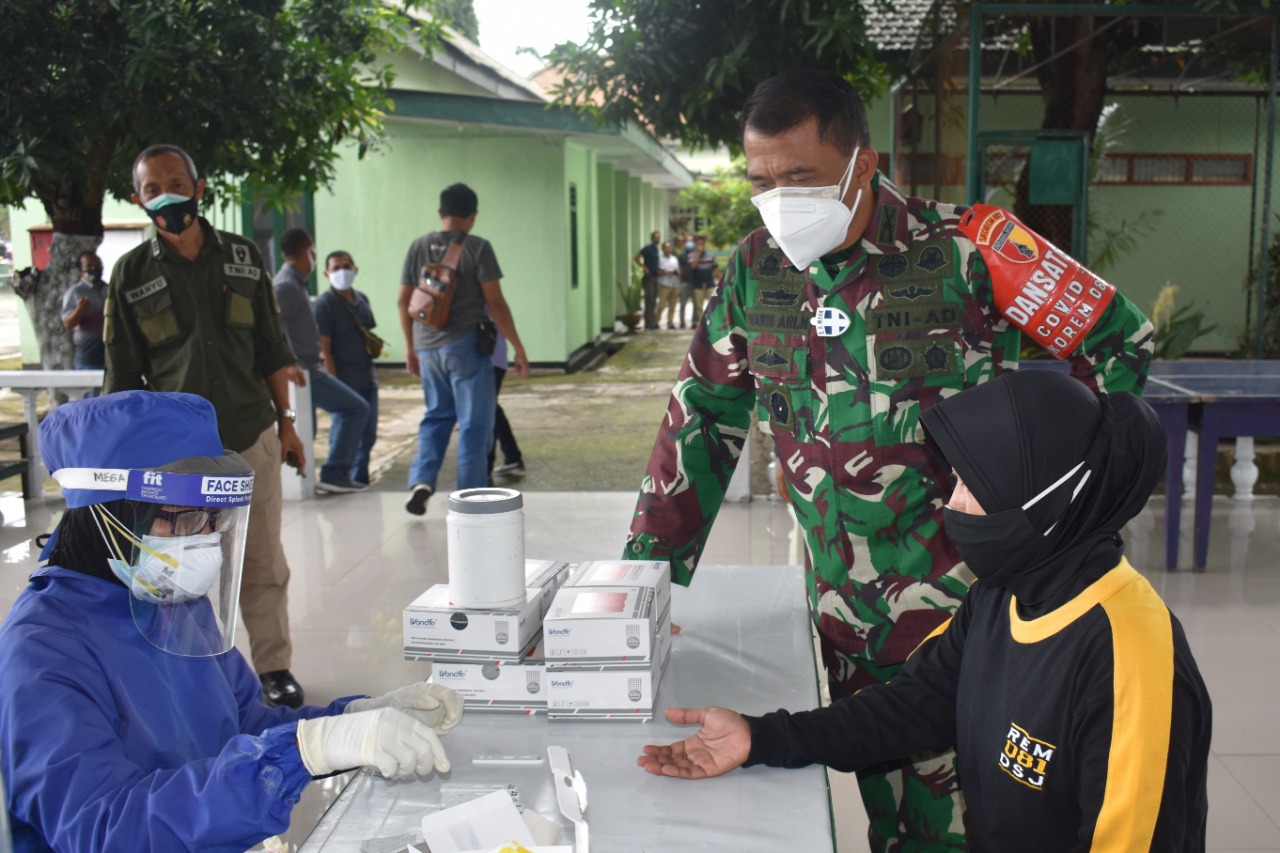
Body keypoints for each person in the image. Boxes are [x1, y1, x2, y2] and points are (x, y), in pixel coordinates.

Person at [622, 70, 1155, 849]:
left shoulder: (971, 250)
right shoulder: (754, 270)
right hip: (846, 616)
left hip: (971, 614)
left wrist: (1055, 524)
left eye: (798, 177)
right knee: (890, 816)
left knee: (986, 819)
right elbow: (701, 420)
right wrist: (647, 579)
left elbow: (1120, 343)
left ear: (861, 164)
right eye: (760, 180)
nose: (777, 199)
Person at [638, 370, 1211, 852]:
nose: (951, 504)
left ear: (1044, 499)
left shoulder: (1127, 662)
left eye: (970, 485)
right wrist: (761, 739)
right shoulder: (1007, 591)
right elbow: (913, 706)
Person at [0, 391, 464, 853]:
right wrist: (302, 753)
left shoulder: (170, 599)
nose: (203, 541)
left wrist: (353, 719)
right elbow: (102, 827)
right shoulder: (42, 651)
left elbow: (245, 723)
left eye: (213, 522)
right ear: (107, 515)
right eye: (182, 519)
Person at [103, 143, 309, 709]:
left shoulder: (243, 256)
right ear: (138, 200)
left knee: (263, 562)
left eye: (176, 181)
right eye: (151, 188)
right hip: (180, 455)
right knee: (188, 569)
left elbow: (271, 350)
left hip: (250, 437)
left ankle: (273, 669)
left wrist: (287, 425)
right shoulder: (130, 275)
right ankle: (202, 674)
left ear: (199, 187)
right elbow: (121, 380)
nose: (165, 194)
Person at [397, 182, 529, 516]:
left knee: (436, 417)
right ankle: (469, 501)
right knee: (474, 425)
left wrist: (410, 347)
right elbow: (495, 303)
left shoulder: (417, 246)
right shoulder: (478, 248)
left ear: (441, 213)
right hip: (466, 347)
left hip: (427, 348)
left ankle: (422, 482)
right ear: (473, 216)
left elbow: (403, 301)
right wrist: (517, 347)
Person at [273, 228, 371, 494]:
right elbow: (268, 326)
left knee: (309, 429)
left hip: (308, 367)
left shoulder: (295, 283)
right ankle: (335, 472)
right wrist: (287, 361)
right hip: (303, 371)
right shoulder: (285, 285)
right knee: (356, 409)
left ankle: (315, 477)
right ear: (309, 250)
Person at [314, 250, 380, 486]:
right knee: (345, 430)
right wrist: (335, 383)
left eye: (346, 266)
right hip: (344, 378)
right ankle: (337, 475)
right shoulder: (324, 304)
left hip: (367, 375)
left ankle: (359, 479)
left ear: (355, 269)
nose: (342, 271)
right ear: (326, 273)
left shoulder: (361, 299)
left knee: (368, 435)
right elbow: (324, 348)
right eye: (336, 268)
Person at [59, 251, 108, 370]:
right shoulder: (75, 292)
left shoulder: (109, 289)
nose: (94, 269)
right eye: (89, 266)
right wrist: (80, 309)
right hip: (88, 359)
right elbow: (68, 323)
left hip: (110, 357)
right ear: (80, 271)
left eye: (97, 265)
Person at [488, 328, 525, 479]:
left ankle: (486, 466)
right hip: (486, 356)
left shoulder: (487, 304)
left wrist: (519, 350)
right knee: (490, 408)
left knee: (486, 409)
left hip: (486, 356)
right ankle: (512, 456)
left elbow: (500, 313)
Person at [634, 230, 661, 330]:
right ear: (652, 238)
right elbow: (636, 258)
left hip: (656, 277)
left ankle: (652, 321)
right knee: (649, 300)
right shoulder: (647, 248)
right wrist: (644, 268)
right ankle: (648, 323)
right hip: (648, 278)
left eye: (658, 237)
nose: (657, 239)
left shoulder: (657, 250)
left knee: (654, 301)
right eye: (655, 237)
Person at [687, 234, 717, 320]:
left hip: (709, 282)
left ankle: (712, 321)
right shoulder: (691, 255)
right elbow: (693, 266)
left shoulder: (710, 255)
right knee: (699, 305)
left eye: (702, 244)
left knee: (713, 303)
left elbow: (715, 268)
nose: (700, 246)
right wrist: (698, 254)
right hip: (698, 284)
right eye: (698, 244)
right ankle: (702, 324)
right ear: (696, 245)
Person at [656, 241, 681, 330]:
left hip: (675, 284)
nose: (668, 249)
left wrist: (678, 272)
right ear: (663, 249)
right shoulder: (659, 259)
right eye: (666, 248)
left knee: (673, 306)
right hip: (664, 284)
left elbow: (677, 269)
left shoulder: (674, 259)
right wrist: (669, 272)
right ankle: (656, 322)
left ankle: (670, 323)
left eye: (669, 247)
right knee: (662, 305)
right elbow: (658, 271)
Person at [676, 233, 695, 329]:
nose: (689, 243)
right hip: (684, 282)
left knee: (696, 304)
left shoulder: (697, 255)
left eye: (691, 241)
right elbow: (679, 269)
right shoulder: (681, 256)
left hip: (695, 283)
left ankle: (694, 322)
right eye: (688, 241)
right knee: (682, 303)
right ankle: (682, 322)